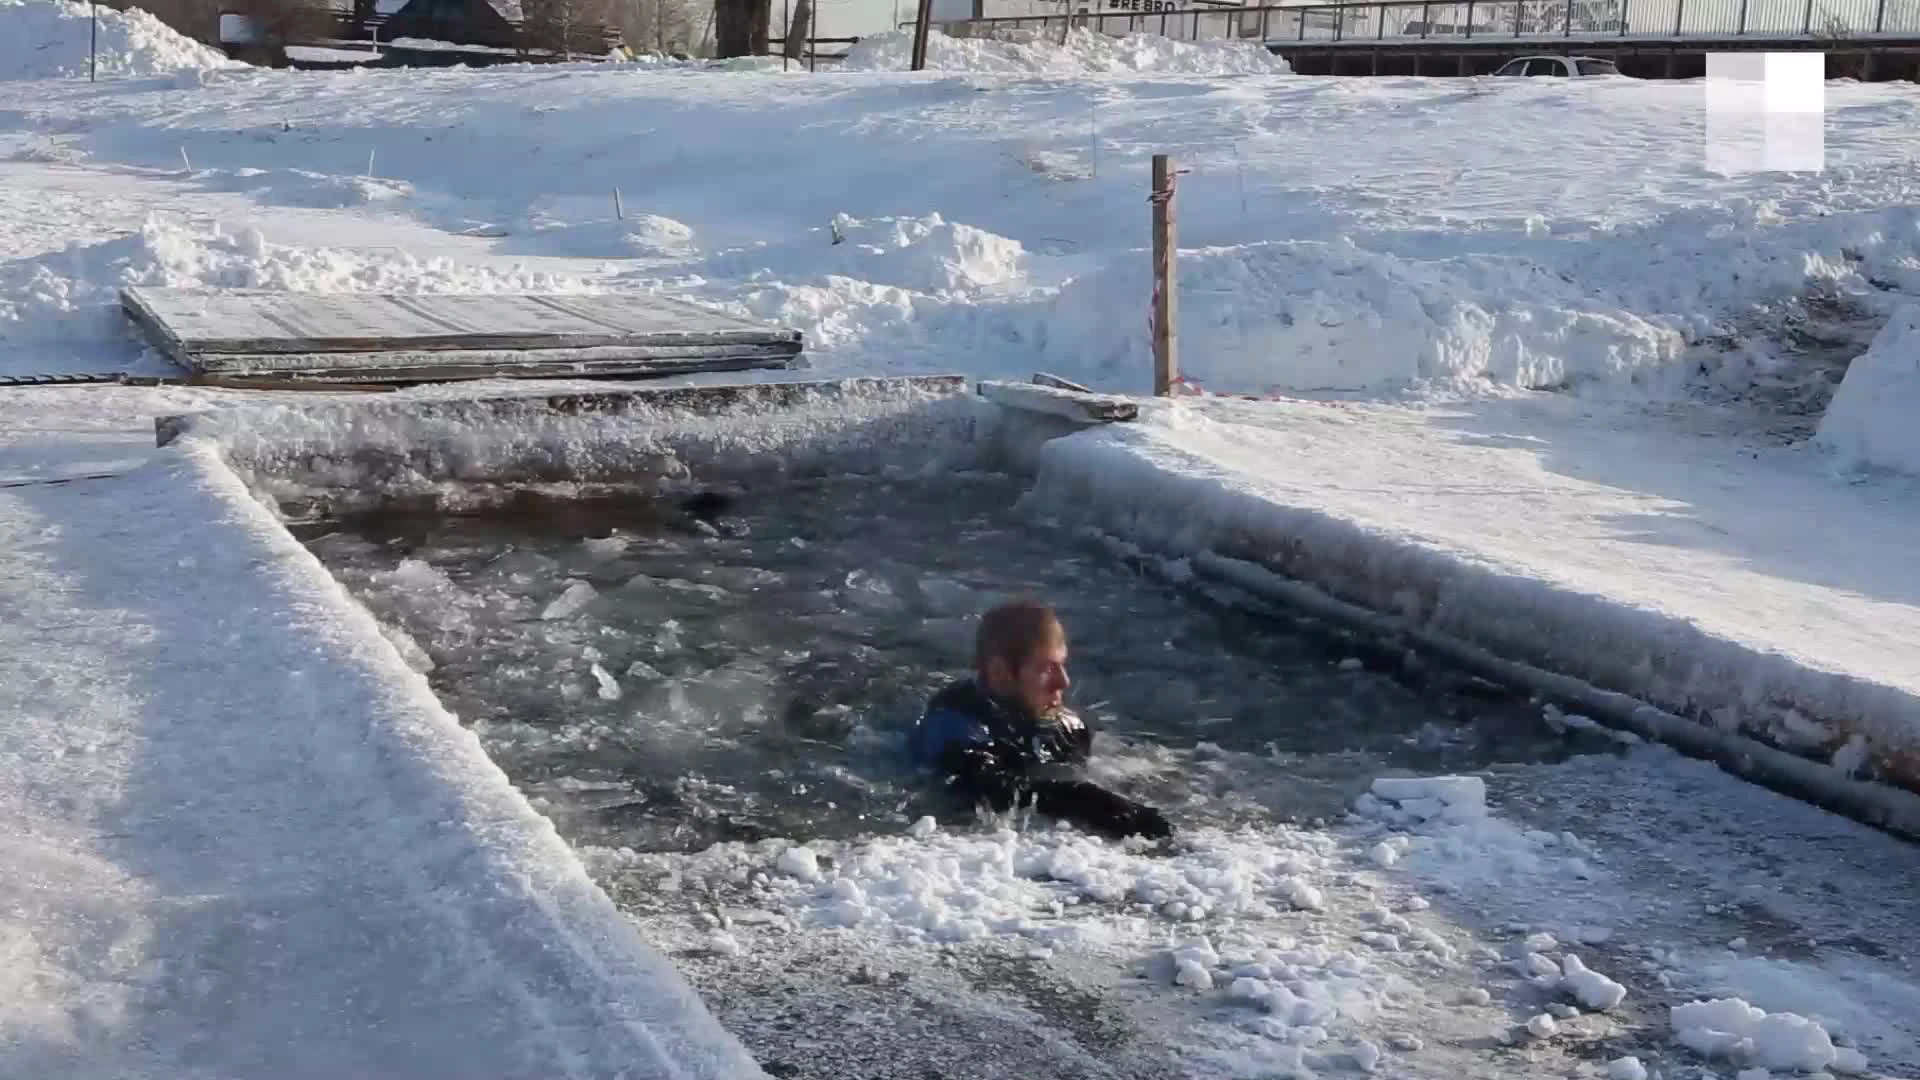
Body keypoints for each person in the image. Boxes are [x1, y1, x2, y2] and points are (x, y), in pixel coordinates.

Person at [908, 599, 1173, 843]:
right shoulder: (952, 721)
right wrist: (1084, 800)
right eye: (1047, 668)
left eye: (1063, 665)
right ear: (1000, 673)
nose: (1064, 682)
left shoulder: (1069, 728)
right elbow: (984, 789)